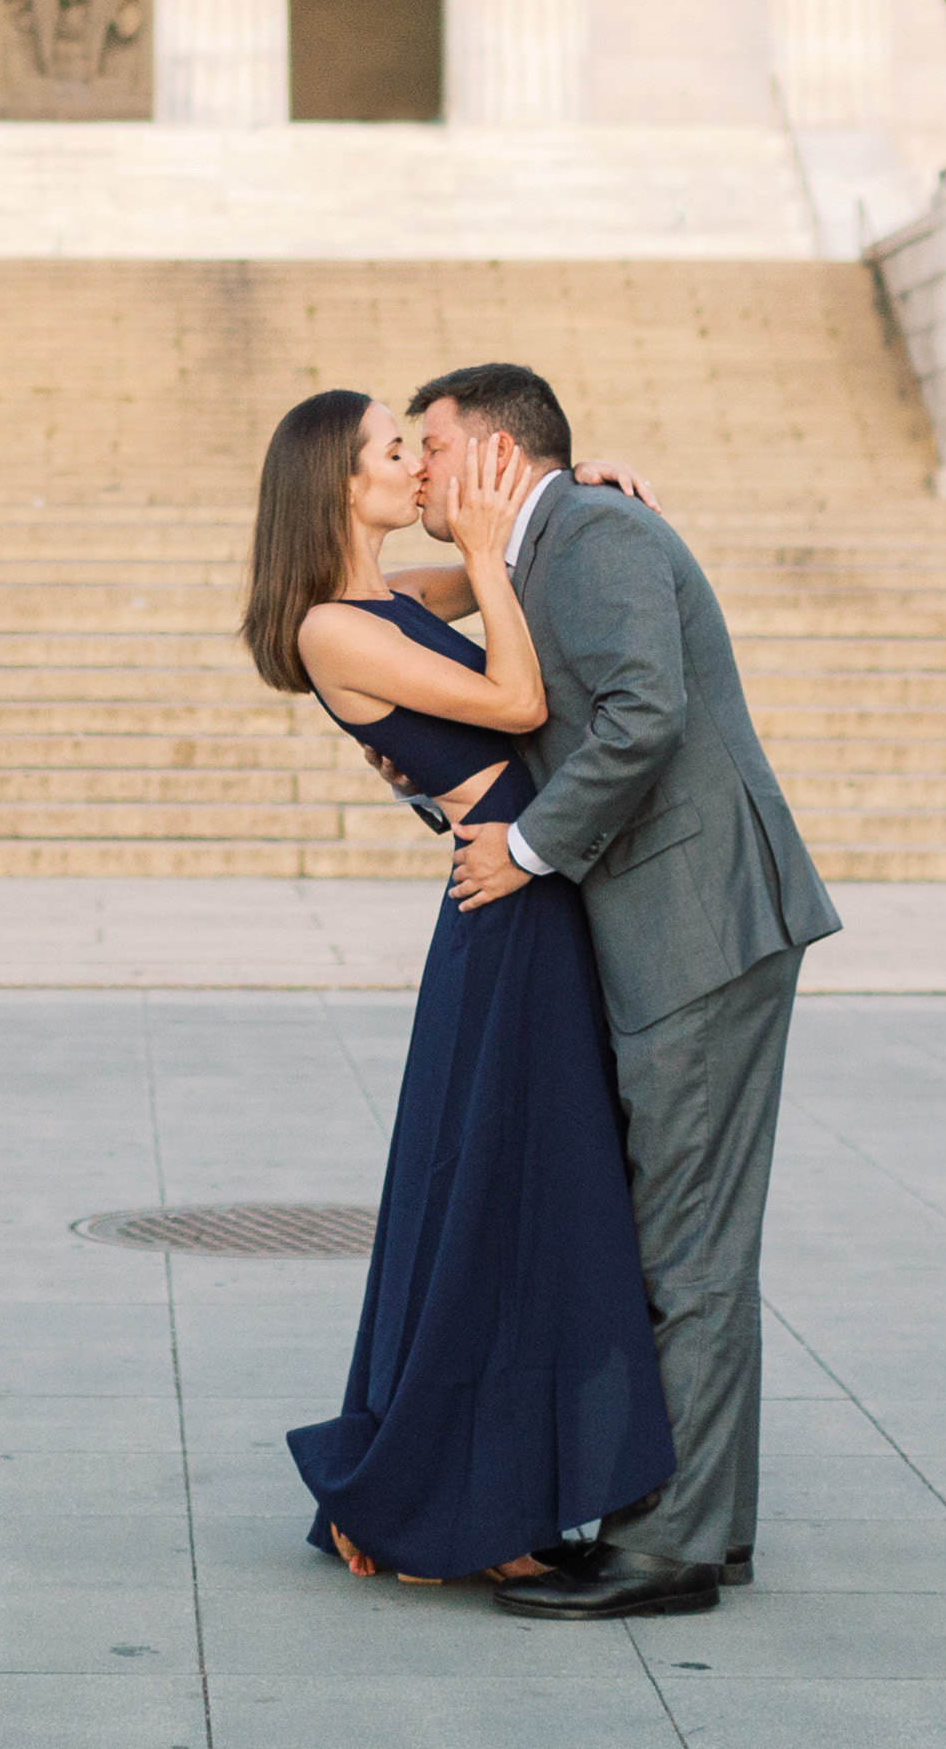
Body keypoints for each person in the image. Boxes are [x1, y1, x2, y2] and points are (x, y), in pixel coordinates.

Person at [412, 360, 838, 1622]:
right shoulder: (560, 532)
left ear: (492, 450)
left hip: (695, 924)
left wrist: (527, 846)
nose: (423, 471)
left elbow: (642, 715)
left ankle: (669, 1548)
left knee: (686, 1241)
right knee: (685, 1231)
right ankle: (704, 1521)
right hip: (675, 917)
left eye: (431, 445)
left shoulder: (591, 533)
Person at [243, 387, 670, 1587]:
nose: (417, 469)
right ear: (337, 480)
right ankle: (426, 1499)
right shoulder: (333, 624)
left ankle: (466, 1484)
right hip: (505, 916)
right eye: (394, 451)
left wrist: (575, 488)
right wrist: (482, 553)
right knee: (498, 1193)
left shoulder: (390, 594)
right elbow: (518, 701)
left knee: (516, 1191)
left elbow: (518, 580)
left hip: (528, 896)